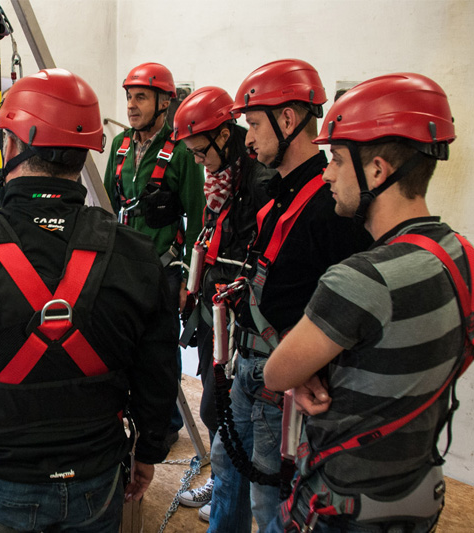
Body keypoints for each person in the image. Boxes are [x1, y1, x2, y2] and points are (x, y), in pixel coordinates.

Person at [0, 68, 179, 532]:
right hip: (95, 474)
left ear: (11, 147)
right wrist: (149, 450)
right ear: (85, 153)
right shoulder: (137, 255)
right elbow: (158, 370)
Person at [264, 73, 462, 533]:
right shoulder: (460, 256)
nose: (327, 172)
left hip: (341, 505)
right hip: (416, 493)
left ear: (377, 170)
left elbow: (277, 373)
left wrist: (303, 368)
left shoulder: (360, 278)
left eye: (335, 159)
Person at [210, 59, 373, 531]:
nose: (248, 139)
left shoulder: (332, 207)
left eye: (254, 124)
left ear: (288, 120)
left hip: (282, 376)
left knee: (270, 500)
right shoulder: (275, 191)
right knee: (226, 469)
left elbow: (347, 307)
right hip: (249, 366)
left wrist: (312, 368)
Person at [171, 86, 272, 522]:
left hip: (241, 315)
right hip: (214, 309)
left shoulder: (257, 181)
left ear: (223, 137)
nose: (198, 161)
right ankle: (228, 478)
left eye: (199, 151)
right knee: (217, 405)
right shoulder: (220, 182)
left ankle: (230, 482)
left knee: (221, 406)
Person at [103, 62, 205, 443]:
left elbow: (196, 218)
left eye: (141, 97)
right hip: (123, 267)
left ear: (165, 102)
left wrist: (189, 285)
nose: (131, 105)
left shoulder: (180, 153)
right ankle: (131, 414)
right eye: (129, 97)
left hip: (164, 269)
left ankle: (166, 426)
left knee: (161, 352)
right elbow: (106, 207)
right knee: (125, 343)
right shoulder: (119, 146)